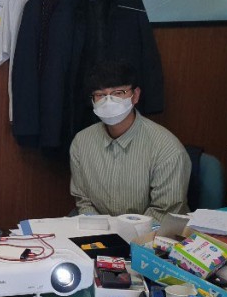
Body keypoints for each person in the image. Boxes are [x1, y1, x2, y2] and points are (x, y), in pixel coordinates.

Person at [69, 60, 190, 223]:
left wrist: (121, 233)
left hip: (149, 233)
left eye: (118, 93)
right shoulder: (81, 142)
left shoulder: (167, 149)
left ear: (135, 95)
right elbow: (83, 202)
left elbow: (163, 212)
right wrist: (101, 230)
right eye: (100, 95)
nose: (108, 101)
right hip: (99, 231)